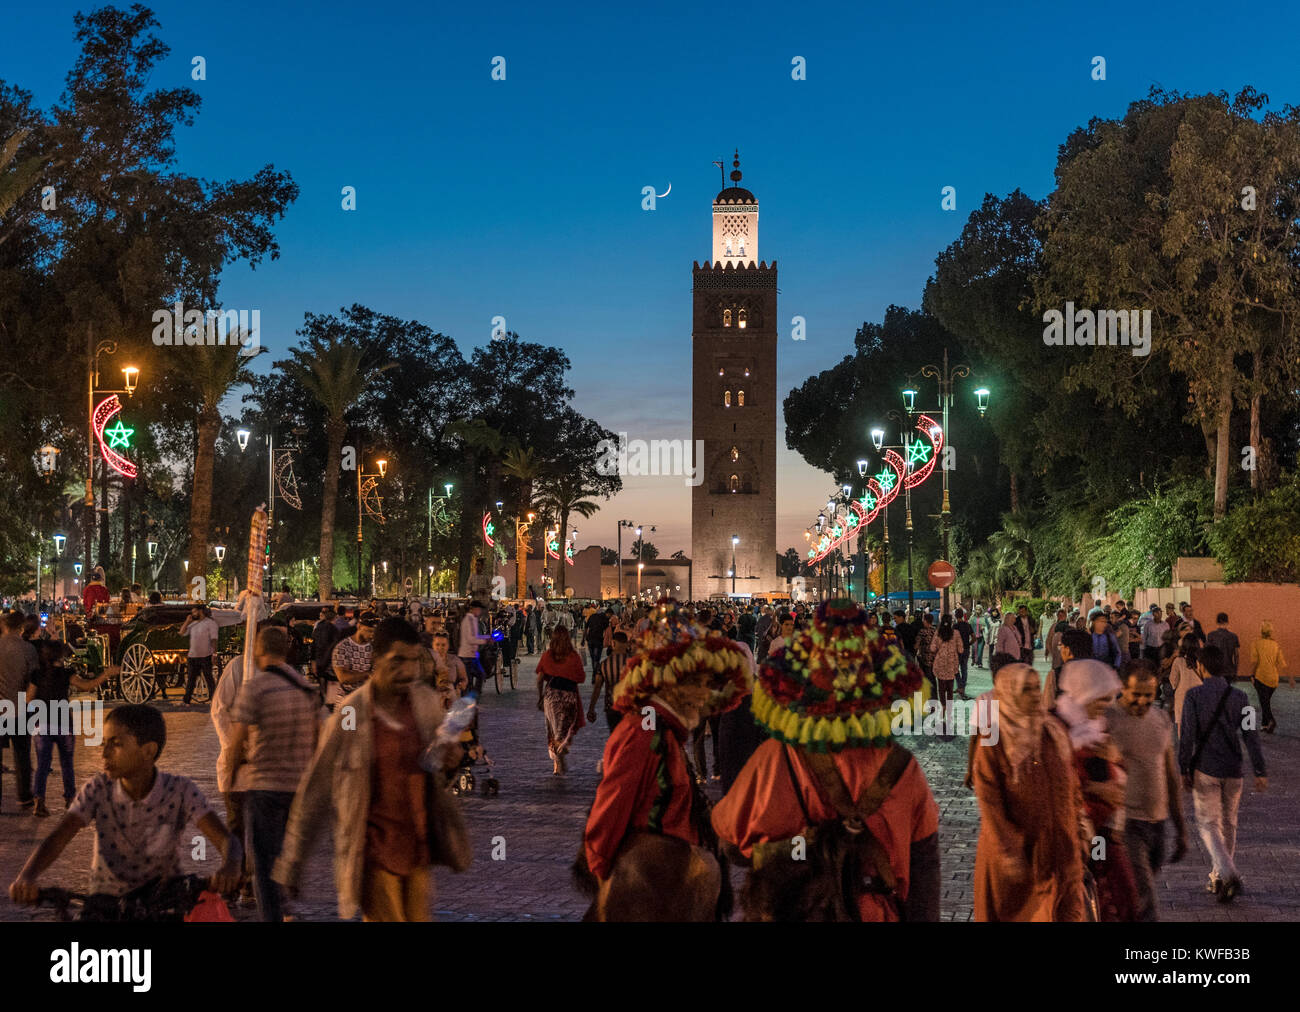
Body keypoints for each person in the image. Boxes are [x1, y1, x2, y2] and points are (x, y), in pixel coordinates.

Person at [713, 601, 939, 921]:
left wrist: (799, 849)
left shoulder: (776, 757)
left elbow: (732, 844)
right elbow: (924, 873)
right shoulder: (903, 769)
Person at [274, 618, 467, 922]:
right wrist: (293, 862)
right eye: (398, 660)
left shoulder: (426, 705)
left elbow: (436, 773)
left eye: (415, 661)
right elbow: (318, 786)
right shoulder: (352, 713)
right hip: (372, 856)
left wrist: (451, 761)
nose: (408, 671)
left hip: (417, 853)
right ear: (377, 660)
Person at [579, 604, 750, 921]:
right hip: (646, 888)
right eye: (698, 683)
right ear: (671, 682)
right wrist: (603, 875)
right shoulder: (644, 731)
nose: (704, 694)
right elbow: (611, 806)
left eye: (709, 684)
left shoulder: (667, 733)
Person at [8, 704, 242, 904]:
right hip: (104, 905)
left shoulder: (180, 791)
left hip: (164, 904)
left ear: (148, 751)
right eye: (104, 743)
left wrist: (230, 866)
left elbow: (226, 840)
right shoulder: (97, 790)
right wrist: (27, 876)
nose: (104, 753)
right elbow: (60, 836)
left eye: (116, 744)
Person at [971, 663, 1086, 921]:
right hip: (1018, 860)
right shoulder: (994, 739)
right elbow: (989, 800)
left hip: (1060, 852)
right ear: (1008, 693)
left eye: (1036, 687)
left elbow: (1071, 784)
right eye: (1026, 689)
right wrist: (1009, 850)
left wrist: (1079, 826)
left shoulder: (1053, 732)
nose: (1035, 694)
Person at [224, 625, 322, 922]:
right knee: (283, 855)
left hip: (265, 786)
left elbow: (237, 738)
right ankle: (287, 906)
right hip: (298, 786)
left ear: (259, 650)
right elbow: (318, 737)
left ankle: (272, 916)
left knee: (264, 864)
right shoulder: (306, 688)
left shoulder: (256, 687)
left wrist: (230, 776)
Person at [1178, 644, 1267, 902]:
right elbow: (1251, 735)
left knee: (1208, 824)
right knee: (1229, 823)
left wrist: (1184, 767)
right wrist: (1259, 769)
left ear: (1202, 667)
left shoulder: (1194, 696)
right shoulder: (1241, 697)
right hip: (1234, 770)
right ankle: (1218, 876)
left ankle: (1228, 873)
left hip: (1206, 769)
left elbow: (1187, 736)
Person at [1052, 659, 1137, 921]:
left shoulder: (1092, 726)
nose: (1105, 706)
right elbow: (1052, 780)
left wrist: (1114, 760)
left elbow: (1118, 768)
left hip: (1102, 831)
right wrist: (1095, 789)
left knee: (1115, 900)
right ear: (1083, 693)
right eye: (1100, 699)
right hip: (1073, 835)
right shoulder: (1056, 728)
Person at [1106, 658, 1187, 921]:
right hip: (1125, 825)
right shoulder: (1108, 720)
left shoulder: (1161, 719)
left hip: (1158, 822)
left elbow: (1170, 777)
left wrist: (1181, 829)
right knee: (1145, 899)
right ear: (1122, 688)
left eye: (1148, 695)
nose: (1142, 701)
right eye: (1135, 695)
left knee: (1134, 896)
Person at [29, 640, 107, 817]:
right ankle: (70, 800)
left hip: (42, 724)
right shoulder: (66, 673)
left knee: (42, 765)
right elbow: (87, 686)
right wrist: (106, 675)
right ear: (60, 656)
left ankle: (39, 801)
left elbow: (28, 699)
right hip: (64, 724)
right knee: (67, 764)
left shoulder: (37, 674)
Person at [0, 610, 39, 813]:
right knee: (22, 754)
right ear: (21, 627)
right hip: (20, 708)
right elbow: (34, 681)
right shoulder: (28, 649)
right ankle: (25, 797)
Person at [537, 625, 587, 776]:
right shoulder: (573, 656)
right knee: (566, 730)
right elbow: (581, 677)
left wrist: (540, 696)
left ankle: (556, 763)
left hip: (551, 695)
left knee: (553, 731)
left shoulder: (547, 656)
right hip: (569, 695)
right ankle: (561, 752)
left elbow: (540, 679)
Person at [587, 630, 631, 733]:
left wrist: (591, 709)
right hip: (631, 707)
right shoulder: (634, 662)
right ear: (627, 644)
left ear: (613, 643)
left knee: (615, 736)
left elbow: (597, 688)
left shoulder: (604, 664)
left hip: (612, 707)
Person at [1248, 620, 1286, 734]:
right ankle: (1265, 725)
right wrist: (1290, 677)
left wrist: (1251, 674)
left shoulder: (1256, 643)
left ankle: (1271, 720)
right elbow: (1281, 662)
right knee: (1265, 701)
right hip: (1274, 679)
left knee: (1264, 701)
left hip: (1261, 677)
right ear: (1271, 632)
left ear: (1261, 631)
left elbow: (1255, 661)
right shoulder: (1276, 644)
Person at [180, 604, 219, 705]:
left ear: (200, 611)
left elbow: (214, 639)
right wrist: (187, 621)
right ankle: (186, 700)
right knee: (191, 679)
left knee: (208, 678)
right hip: (192, 656)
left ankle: (213, 699)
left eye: (194, 612)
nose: (193, 614)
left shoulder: (210, 623)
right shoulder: (192, 624)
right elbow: (181, 632)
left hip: (206, 655)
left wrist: (214, 654)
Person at [332, 610, 377, 693]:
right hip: (347, 697)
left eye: (374, 632)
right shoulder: (343, 647)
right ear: (359, 626)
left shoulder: (375, 647)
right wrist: (367, 674)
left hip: (368, 697)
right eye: (369, 631)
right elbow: (343, 678)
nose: (372, 635)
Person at [929, 614, 961, 725]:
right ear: (951, 622)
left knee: (941, 688)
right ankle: (949, 712)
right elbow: (961, 649)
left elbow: (932, 648)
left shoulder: (938, 632)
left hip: (940, 663)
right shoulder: (956, 633)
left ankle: (942, 709)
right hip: (952, 664)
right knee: (950, 689)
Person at [1169, 635, 1202, 735]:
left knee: (1182, 726)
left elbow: (1173, 680)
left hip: (1182, 696)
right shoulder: (1202, 661)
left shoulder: (1178, 661)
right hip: (1200, 694)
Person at [457, 601, 490, 695]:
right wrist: (485, 640)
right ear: (474, 609)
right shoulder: (468, 620)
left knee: (480, 675)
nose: (479, 612)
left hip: (472, 655)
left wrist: (488, 637)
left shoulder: (473, 620)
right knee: (468, 681)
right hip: (466, 655)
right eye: (479, 609)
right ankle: (469, 698)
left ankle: (473, 696)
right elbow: (470, 639)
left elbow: (476, 636)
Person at [953, 607, 973, 699]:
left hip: (957, 650)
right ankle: (962, 688)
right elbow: (974, 637)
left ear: (955, 616)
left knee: (955, 669)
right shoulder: (967, 625)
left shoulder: (955, 626)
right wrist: (968, 644)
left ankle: (960, 686)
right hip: (966, 649)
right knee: (964, 668)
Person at [584, 605, 610, 675]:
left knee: (593, 657)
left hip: (590, 639)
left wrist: (583, 639)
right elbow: (607, 631)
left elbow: (586, 628)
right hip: (599, 640)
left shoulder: (592, 616)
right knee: (597, 657)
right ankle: (595, 672)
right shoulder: (605, 619)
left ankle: (594, 670)